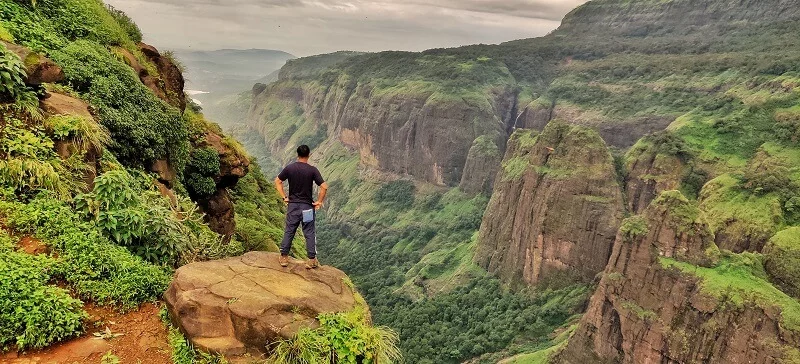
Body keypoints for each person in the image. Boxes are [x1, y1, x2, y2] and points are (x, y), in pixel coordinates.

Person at [275, 145, 328, 269]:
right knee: (309, 232)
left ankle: (283, 257)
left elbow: (277, 181)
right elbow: (324, 186)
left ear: (297, 154)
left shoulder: (290, 168)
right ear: (309, 155)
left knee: (290, 230)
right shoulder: (312, 170)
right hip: (307, 207)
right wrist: (319, 202)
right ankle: (311, 259)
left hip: (293, 206)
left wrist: (284, 197)